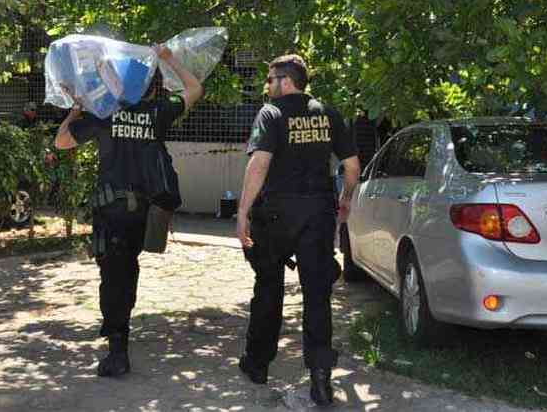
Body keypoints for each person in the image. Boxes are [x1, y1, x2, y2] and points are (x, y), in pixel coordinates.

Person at [54, 45, 202, 378]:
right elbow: (194, 89)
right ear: (151, 85)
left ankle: (117, 349)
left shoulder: (104, 112)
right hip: (145, 212)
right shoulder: (157, 112)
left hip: (112, 211)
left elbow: (61, 142)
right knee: (128, 269)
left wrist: (77, 108)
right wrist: (169, 59)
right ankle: (120, 335)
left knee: (113, 275)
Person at [236, 54, 360, 407]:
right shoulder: (328, 113)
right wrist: (345, 200)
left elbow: (260, 162)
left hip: (276, 215)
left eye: (271, 79)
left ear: (286, 81)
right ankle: (321, 381)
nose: (268, 85)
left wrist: (242, 211)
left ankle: (257, 364)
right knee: (317, 295)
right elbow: (351, 165)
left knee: (268, 288)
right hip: (318, 214)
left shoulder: (271, 114)